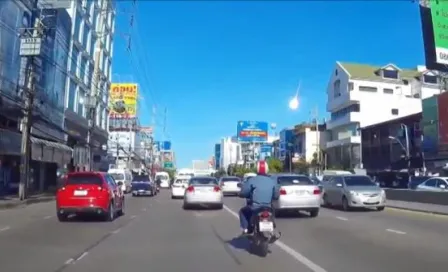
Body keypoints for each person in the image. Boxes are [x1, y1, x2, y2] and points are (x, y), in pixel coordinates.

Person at [238, 160, 280, 235]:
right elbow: (276, 195)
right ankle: (273, 227)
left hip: (255, 207)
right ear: (267, 169)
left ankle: (246, 229)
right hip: (268, 207)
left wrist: (241, 194)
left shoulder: (252, 180)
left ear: (257, 169)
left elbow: (244, 192)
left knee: (242, 211)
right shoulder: (272, 181)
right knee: (273, 212)